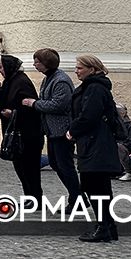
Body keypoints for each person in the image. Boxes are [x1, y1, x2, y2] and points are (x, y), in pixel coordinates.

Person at [66, 54, 122, 243]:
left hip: (96, 143)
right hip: (94, 142)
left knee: (96, 186)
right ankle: (107, 225)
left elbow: (89, 115)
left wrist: (72, 131)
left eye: (80, 68)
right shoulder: (93, 87)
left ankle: (103, 227)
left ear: (93, 69)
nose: (76, 71)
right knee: (98, 186)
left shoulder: (95, 88)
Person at [21, 48, 81, 205]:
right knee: (55, 164)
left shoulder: (60, 80)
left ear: (46, 63)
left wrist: (34, 103)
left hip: (62, 130)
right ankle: (77, 197)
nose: (34, 64)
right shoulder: (49, 78)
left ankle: (77, 199)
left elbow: (59, 105)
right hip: (52, 130)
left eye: (37, 62)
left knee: (65, 166)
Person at [0, 54, 43, 205]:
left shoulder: (22, 82)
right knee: (21, 167)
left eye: (0, 67)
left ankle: (35, 198)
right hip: (16, 132)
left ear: (8, 67)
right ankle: (29, 197)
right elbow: (0, 103)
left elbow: (30, 107)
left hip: (27, 134)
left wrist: (13, 113)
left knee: (29, 168)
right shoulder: (10, 81)